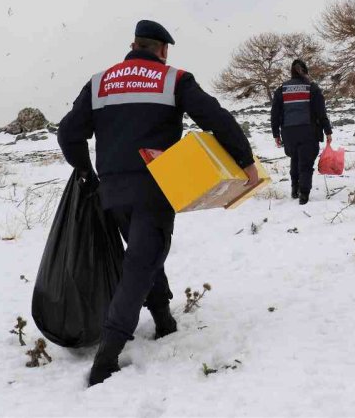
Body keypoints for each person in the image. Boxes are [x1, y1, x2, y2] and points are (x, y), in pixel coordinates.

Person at [57, 20, 260, 387]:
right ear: (163, 50)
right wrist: (244, 161)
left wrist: (86, 169)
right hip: (156, 186)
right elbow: (216, 118)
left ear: (133, 45)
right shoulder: (174, 79)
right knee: (141, 261)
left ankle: (163, 320)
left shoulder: (100, 83)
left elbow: (69, 132)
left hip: (113, 190)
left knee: (144, 253)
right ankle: (108, 353)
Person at [270, 59, 333, 205]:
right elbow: (321, 112)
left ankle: (294, 189)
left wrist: (276, 134)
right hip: (308, 131)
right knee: (305, 163)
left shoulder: (282, 89)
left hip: (288, 132)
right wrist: (327, 131)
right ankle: (304, 194)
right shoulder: (312, 88)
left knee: (295, 158)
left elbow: (275, 113)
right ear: (306, 71)